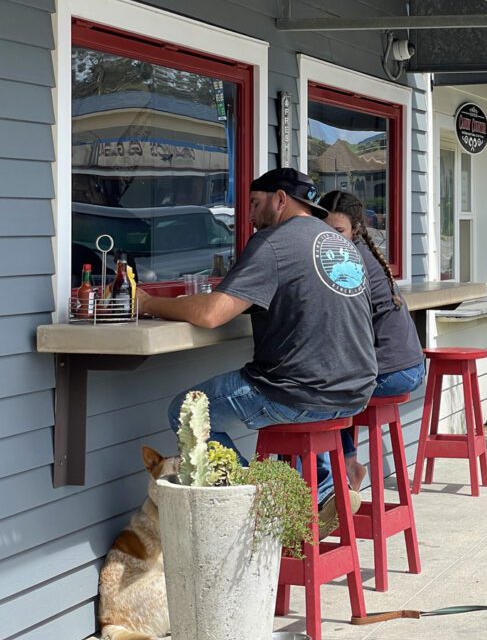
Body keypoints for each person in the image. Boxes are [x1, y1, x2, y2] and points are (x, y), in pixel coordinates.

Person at [137, 168, 377, 515]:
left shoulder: (273, 242)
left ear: (280, 200)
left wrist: (147, 303)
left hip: (302, 392)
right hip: (357, 390)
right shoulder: (338, 241)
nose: (248, 217)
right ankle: (322, 494)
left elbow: (211, 314)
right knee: (298, 396)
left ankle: (264, 503)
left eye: (254, 203)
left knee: (186, 412)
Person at [314, 190, 426, 517]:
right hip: (408, 366)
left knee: (315, 394)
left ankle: (328, 490)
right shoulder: (359, 255)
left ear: (357, 230)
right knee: (333, 386)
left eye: (339, 233)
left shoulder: (348, 264)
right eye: (325, 233)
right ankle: (349, 464)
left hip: (392, 372)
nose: (332, 240)